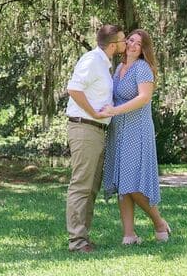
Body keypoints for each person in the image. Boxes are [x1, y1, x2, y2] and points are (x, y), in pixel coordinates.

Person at [100, 28, 171, 245]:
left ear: (143, 49)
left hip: (137, 130)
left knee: (133, 184)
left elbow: (144, 98)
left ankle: (159, 223)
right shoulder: (119, 68)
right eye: (130, 40)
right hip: (118, 131)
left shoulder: (142, 68)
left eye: (138, 43)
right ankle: (129, 235)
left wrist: (116, 111)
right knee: (122, 182)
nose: (132, 45)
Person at [62, 24, 127, 253]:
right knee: (81, 185)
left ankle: (83, 238)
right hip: (85, 128)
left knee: (91, 187)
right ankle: (77, 242)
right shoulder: (92, 60)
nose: (125, 43)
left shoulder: (104, 64)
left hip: (97, 130)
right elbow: (74, 89)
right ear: (112, 45)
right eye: (122, 40)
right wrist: (95, 113)